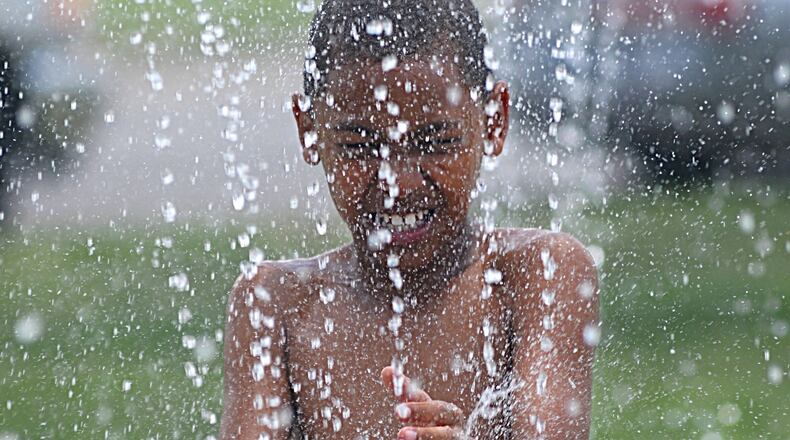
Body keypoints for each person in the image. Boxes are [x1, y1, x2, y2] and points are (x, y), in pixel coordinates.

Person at [221, 0, 599, 438]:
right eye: (360, 146)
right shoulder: (276, 304)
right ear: (309, 131)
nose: (398, 184)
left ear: (494, 121)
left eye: (436, 142)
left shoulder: (536, 276)